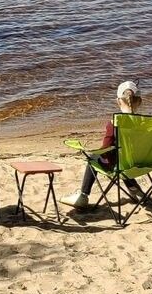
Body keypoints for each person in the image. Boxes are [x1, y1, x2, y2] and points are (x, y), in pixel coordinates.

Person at [60, 80, 145, 209]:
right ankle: (136, 191)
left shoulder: (114, 123)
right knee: (124, 160)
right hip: (143, 162)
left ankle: (83, 195)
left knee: (94, 157)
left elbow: (105, 148)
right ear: (140, 101)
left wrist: (93, 152)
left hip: (120, 165)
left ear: (118, 101)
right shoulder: (146, 123)